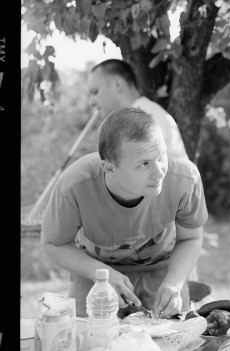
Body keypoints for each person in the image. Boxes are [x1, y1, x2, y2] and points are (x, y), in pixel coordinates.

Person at [41, 107, 208, 319]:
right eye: (144, 164)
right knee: (86, 339)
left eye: (161, 156)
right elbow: (53, 245)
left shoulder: (186, 178)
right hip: (95, 274)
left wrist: (174, 282)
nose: (159, 172)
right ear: (109, 168)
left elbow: (191, 238)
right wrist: (101, 275)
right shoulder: (74, 185)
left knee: (175, 338)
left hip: (163, 273)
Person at [88, 58, 188, 160]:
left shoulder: (148, 120)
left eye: (95, 92)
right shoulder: (134, 118)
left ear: (117, 84)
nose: (91, 102)